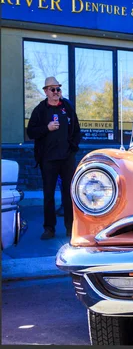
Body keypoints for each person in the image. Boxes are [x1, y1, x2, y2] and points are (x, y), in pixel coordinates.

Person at [27, 77, 81, 240]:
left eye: (58, 89)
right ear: (46, 91)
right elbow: (31, 132)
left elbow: (77, 130)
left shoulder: (67, 108)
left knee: (69, 193)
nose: (56, 92)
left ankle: (71, 228)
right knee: (49, 194)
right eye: (53, 89)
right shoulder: (40, 110)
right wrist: (47, 128)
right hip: (48, 159)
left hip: (66, 158)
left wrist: (72, 148)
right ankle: (49, 228)